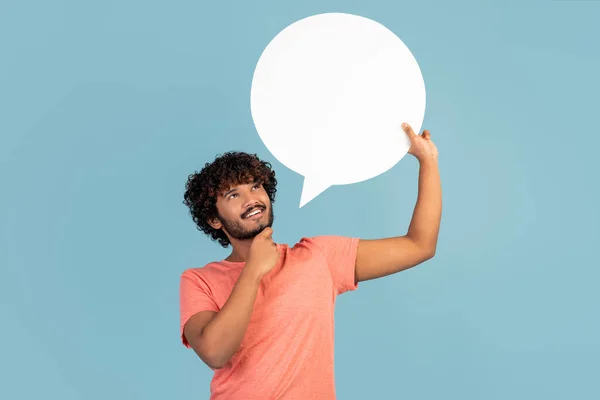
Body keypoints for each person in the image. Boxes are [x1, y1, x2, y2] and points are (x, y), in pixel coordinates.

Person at [179, 123, 441, 399]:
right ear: (214, 219)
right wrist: (254, 270)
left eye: (255, 186)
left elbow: (419, 245)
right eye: (234, 195)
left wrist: (428, 160)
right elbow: (215, 352)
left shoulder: (319, 257)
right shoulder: (198, 280)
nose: (252, 199)